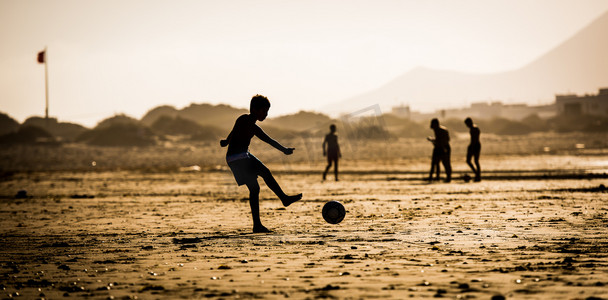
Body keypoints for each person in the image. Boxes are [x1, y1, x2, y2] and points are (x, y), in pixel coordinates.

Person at [220, 94, 302, 233]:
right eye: (264, 111)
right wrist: (284, 150)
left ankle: (258, 224)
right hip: (239, 158)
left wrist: (226, 142)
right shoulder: (247, 122)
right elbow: (267, 140)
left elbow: (235, 132)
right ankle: (283, 199)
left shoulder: (247, 122)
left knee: (256, 187)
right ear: (255, 110)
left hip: (238, 157)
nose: (266, 114)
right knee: (264, 174)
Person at [427, 118, 452, 183]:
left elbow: (444, 140)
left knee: (444, 163)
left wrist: (433, 140)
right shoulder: (438, 129)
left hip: (443, 147)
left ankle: (447, 177)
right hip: (440, 147)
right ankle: (436, 177)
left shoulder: (441, 130)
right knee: (436, 163)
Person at [464, 117, 481, 182]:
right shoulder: (473, 128)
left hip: (475, 146)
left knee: (475, 161)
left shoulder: (474, 129)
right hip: (475, 145)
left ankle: (477, 175)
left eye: (467, 124)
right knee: (472, 161)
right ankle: (477, 174)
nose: (466, 125)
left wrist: (471, 147)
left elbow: (474, 139)